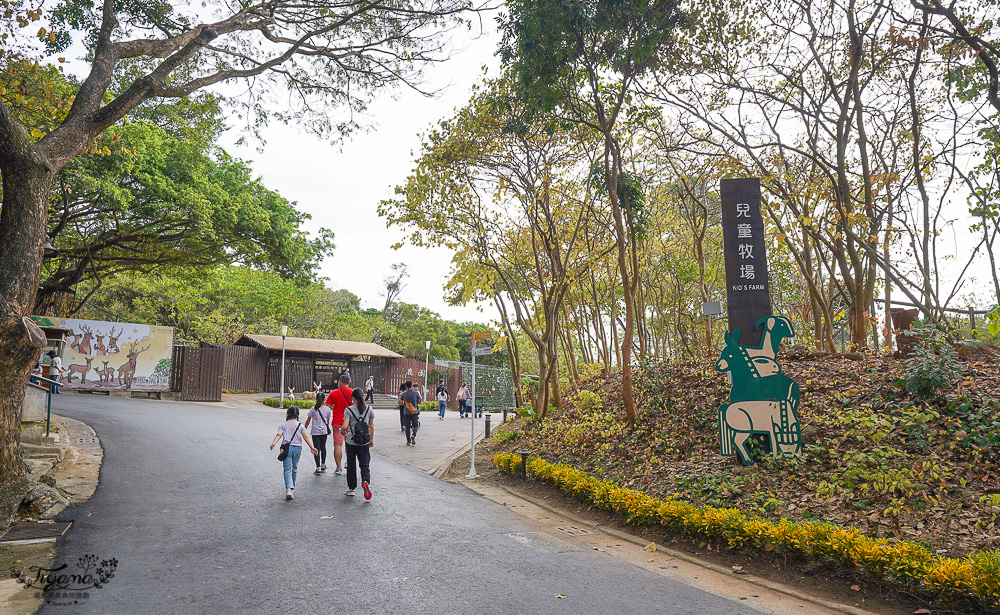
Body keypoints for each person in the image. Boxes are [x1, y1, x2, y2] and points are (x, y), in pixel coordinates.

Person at [269, 406, 318, 500]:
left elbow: (279, 435)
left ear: (287, 414)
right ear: (297, 415)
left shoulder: (283, 425)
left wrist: (273, 443)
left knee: (287, 469)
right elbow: (306, 437)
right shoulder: (300, 425)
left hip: (287, 449)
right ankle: (292, 489)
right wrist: (312, 447)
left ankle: (288, 489)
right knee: (294, 468)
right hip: (297, 449)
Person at [341, 388, 375, 500]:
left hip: (351, 441)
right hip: (364, 441)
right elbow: (371, 426)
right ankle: (365, 481)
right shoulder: (369, 409)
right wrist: (371, 439)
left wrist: (342, 430)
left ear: (353, 398)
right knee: (364, 463)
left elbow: (345, 426)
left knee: (351, 464)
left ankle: (351, 489)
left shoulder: (348, 410)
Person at [323, 374, 353, 475]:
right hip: (351, 422)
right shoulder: (353, 392)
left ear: (340, 382)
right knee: (350, 444)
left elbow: (327, 407)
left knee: (338, 444)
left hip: (337, 422)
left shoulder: (334, 393)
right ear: (349, 382)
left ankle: (339, 468)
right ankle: (349, 463)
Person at [304, 391, 332, 474]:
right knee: (323, 447)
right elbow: (327, 421)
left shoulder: (313, 409)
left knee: (316, 449)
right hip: (324, 431)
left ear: (316, 399)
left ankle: (318, 467)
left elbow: (308, 420)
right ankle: (323, 464)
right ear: (324, 400)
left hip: (315, 432)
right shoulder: (327, 409)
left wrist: (304, 429)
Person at [401, 380, 422, 445]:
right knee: (415, 426)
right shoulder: (416, 393)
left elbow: (400, 402)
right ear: (412, 385)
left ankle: (408, 441)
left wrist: (406, 405)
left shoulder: (403, 393)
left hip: (406, 412)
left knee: (407, 427)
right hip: (414, 412)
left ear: (406, 386)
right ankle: (413, 435)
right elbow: (419, 401)